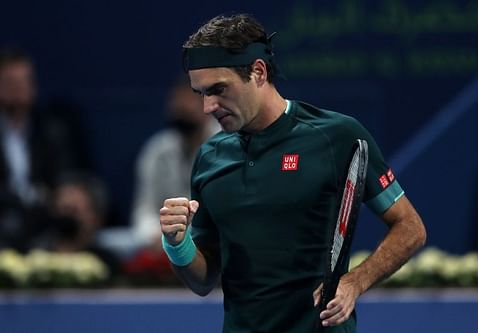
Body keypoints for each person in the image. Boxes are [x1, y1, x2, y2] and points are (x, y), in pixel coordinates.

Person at [159, 14, 426, 333]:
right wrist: (177, 243)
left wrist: (355, 282)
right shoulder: (209, 157)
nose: (208, 107)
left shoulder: (337, 136)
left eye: (218, 89)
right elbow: (203, 281)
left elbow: (410, 227)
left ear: (258, 72)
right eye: (200, 93)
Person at [0, 48, 88, 251]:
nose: (19, 89)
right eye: (11, 83)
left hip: (43, 215)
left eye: (25, 82)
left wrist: (65, 194)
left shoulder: (51, 130)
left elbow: (65, 176)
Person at [131, 77, 219, 247]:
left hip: (212, 240)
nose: (181, 108)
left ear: (206, 105)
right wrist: (155, 236)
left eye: (188, 102)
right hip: (163, 240)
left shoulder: (227, 146)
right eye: (176, 102)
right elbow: (145, 208)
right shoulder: (157, 150)